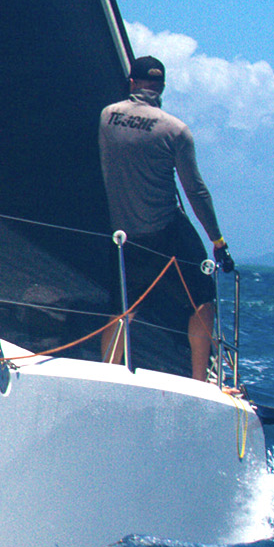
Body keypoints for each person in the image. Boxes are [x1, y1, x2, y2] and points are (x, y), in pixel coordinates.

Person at [98, 54, 233, 382]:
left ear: (132, 83)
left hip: (125, 233)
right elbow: (195, 191)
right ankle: (199, 382)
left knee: (122, 309)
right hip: (166, 229)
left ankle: (106, 375)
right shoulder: (175, 130)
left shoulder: (106, 116)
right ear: (162, 87)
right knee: (202, 300)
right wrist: (218, 241)